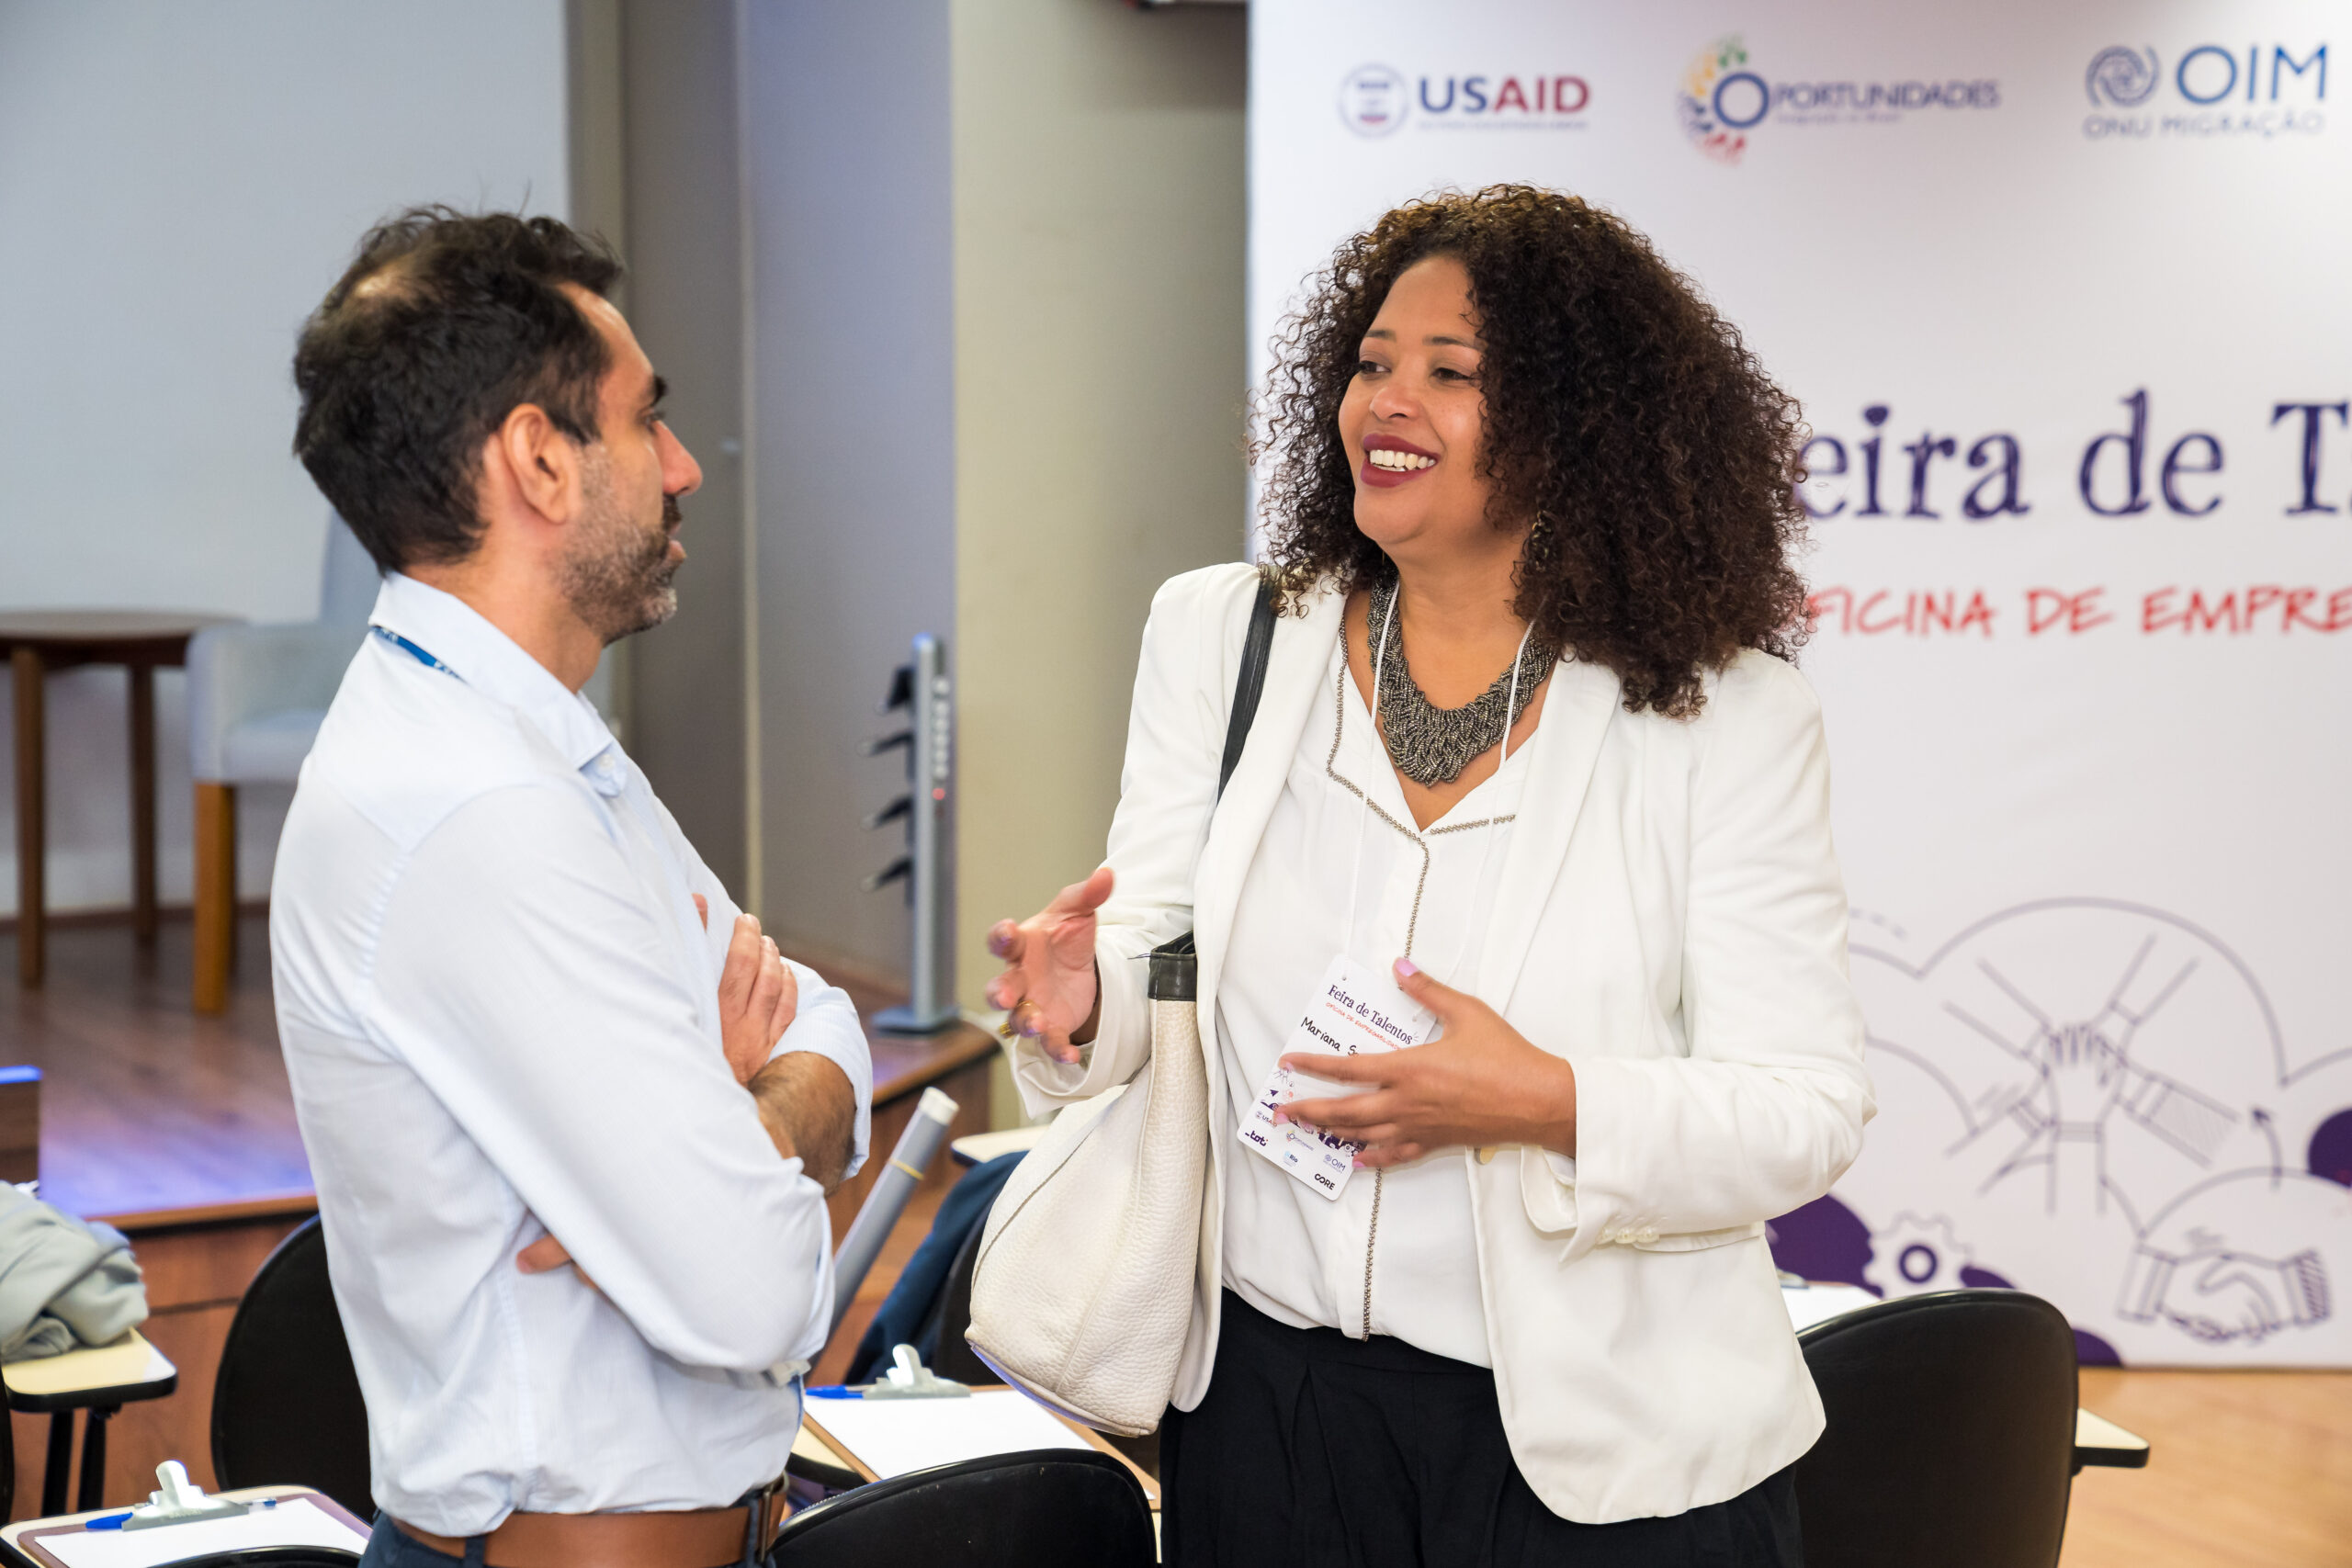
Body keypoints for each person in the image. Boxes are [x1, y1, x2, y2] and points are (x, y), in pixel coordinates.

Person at [988, 186, 1872, 1565]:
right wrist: (1084, 998)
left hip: (1603, 1447)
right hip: (1270, 1420)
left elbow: (1803, 1109)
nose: (1387, 402)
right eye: (1372, 362)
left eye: (1453, 373)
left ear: (1579, 429)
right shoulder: (1226, 636)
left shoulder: (1727, 716)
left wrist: (1546, 1102)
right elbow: (1157, 938)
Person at [273, 209, 872, 1568]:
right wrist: (737, 1151)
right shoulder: (474, 805)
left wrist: (738, 1126)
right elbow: (756, 1290)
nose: (683, 466)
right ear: (540, 460)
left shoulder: (523, 740)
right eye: (645, 418)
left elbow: (825, 1021)